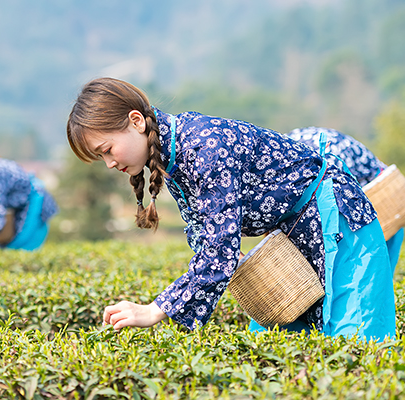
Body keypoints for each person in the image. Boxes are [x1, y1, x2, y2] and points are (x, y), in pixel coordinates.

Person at [66, 77, 395, 341]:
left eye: (107, 150)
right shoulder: (176, 154)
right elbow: (205, 239)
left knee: (354, 339)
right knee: (289, 345)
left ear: (136, 121)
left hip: (333, 218)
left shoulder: (205, 148)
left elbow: (219, 253)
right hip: (294, 237)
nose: (109, 163)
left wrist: (155, 309)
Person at [288, 126, 403, 275]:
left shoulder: (326, 161)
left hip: (375, 189)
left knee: (373, 260)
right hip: (351, 179)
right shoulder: (293, 154)